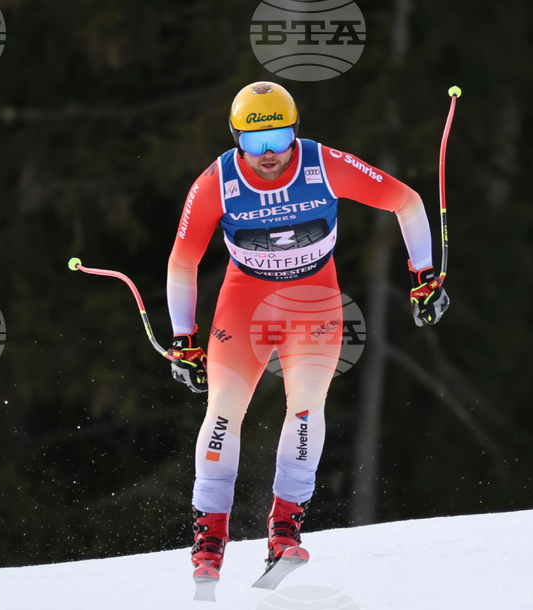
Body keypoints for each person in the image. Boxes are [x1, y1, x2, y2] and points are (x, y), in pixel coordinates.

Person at [166, 81, 449, 574]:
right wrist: (182, 337)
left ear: (296, 131)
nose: (269, 153)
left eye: (279, 137)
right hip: (244, 304)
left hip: (312, 306)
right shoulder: (216, 182)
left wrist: (423, 276)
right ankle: (209, 537)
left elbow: (406, 201)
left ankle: (284, 529)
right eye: (255, 143)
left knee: (305, 409)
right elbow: (182, 261)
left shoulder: (323, 165)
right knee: (223, 412)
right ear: (236, 139)